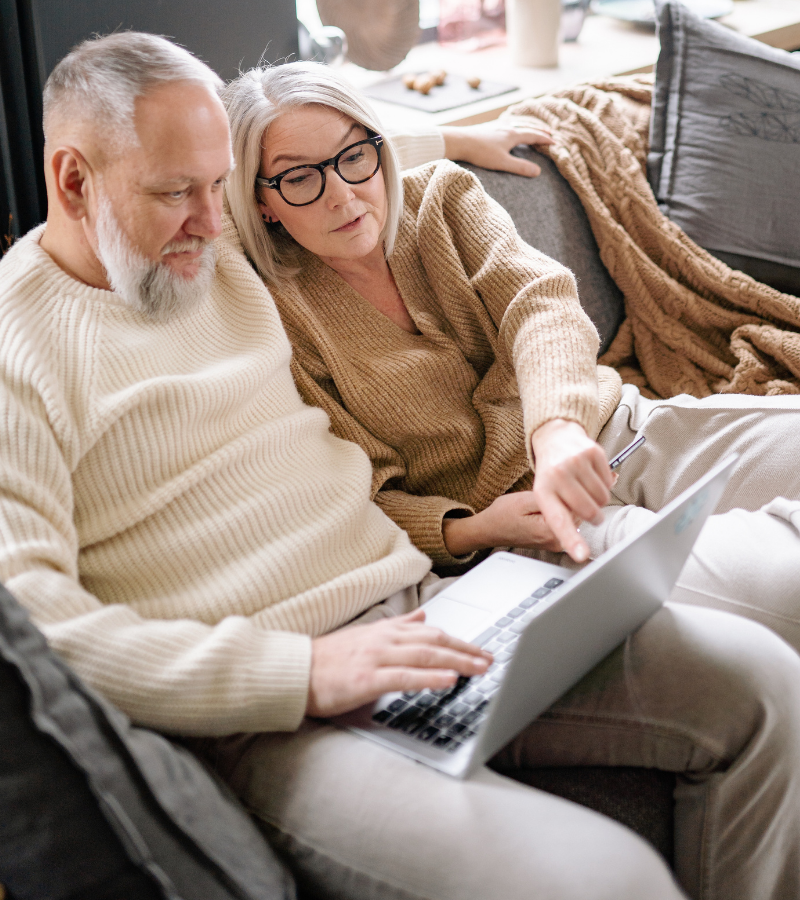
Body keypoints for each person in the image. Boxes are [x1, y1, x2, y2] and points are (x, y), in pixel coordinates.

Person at [2, 32, 800, 900]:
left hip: (434, 604)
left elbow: (324, 163)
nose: (209, 214)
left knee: (765, 687)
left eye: (214, 185)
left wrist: (452, 137)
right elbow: (40, 638)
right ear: (73, 182)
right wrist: (301, 675)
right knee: (604, 879)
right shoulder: (20, 355)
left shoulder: (202, 242)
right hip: (281, 707)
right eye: (175, 192)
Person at [222, 62, 800, 651]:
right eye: (298, 179)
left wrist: (556, 429)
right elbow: (358, 492)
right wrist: (469, 531)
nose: (343, 196)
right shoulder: (274, 313)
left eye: (354, 157)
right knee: (785, 585)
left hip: (620, 430)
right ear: (261, 202)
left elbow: (539, 301)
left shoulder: (442, 196)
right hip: (528, 522)